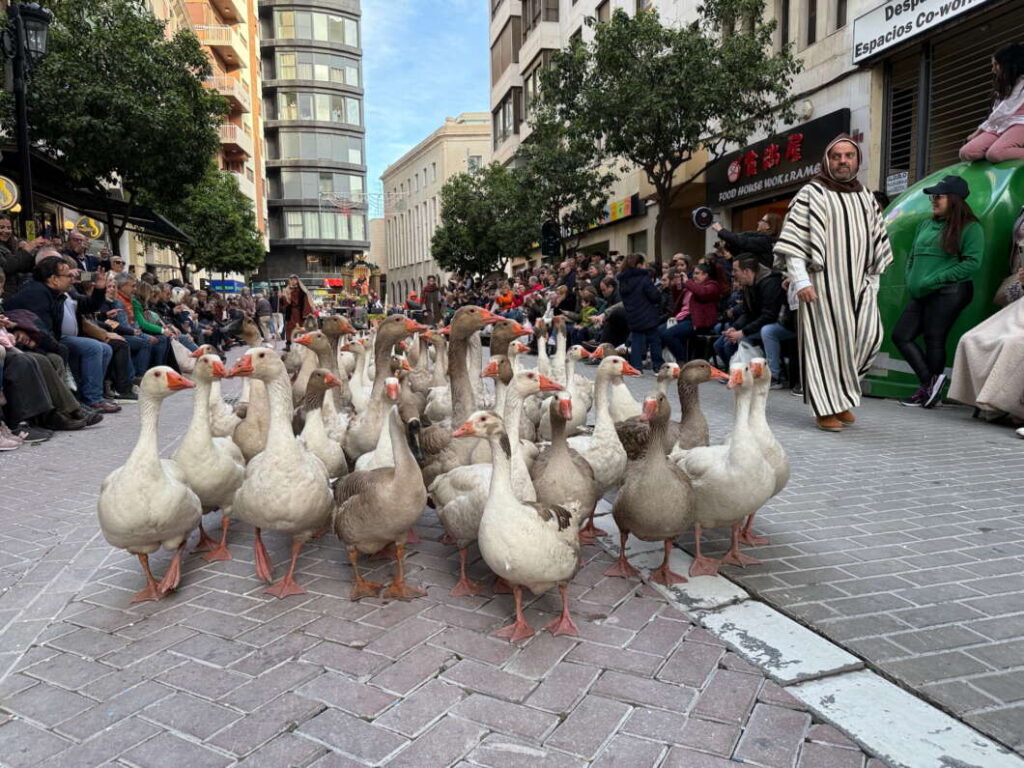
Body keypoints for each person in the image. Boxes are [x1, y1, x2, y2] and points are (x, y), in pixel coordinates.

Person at [774, 134, 894, 432]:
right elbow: (793, 242)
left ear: (857, 160)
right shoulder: (810, 193)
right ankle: (826, 408)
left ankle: (840, 397)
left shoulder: (866, 196)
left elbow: (877, 243)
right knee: (825, 346)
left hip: (860, 284)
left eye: (848, 156)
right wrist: (800, 280)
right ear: (827, 160)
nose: (843, 161)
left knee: (870, 338)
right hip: (821, 285)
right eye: (836, 156)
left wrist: (874, 284)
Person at [892, 176, 983, 408]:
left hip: (950, 291)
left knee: (934, 337)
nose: (933, 200)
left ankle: (929, 391)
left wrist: (936, 279)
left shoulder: (970, 227)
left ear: (953, 199)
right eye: (933, 196)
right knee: (901, 335)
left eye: (938, 196)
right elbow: (913, 255)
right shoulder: (925, 224)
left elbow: (972, 263)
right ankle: (930, 385)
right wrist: (912, 277)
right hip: (922, 291)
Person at [5, 255, 120, 414]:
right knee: (83, 349)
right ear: (54, 279)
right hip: (34, 341)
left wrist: (99, 288)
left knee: (103, 348)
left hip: (54, 337)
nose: (72, 279)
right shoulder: (36, 293)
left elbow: (88, 305)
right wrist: (58, 347)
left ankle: (91, 398)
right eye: (68, 275)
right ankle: (77, 405)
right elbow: (40, 330)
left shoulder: (62, 291)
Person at [960, 44, 1024, 164]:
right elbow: (996, 113)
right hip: (1001, 124)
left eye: (996, 65)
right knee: (967, 152)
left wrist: (977, 132)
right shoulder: (1006, 84)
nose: (993, 69)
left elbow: (1004, 110)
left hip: (1020, 123)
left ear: (1007, 64)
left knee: (995, 153)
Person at [659, 263, 723, 363]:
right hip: (681, 318)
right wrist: (678, 284)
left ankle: (682, 361)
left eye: (697, 273)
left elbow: (702, 293)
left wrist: (688, 282)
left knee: (669, 334)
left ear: (705, 275)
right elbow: (677, 299)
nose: (694, 276)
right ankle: (662, 362)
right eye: (693, 273)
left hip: (696, 321)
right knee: (659, 331)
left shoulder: (712, 285)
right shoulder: (692, 285)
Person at [617, 253, 664, 371]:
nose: (645, 266)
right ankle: (658, 366)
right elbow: (654, 296)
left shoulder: (622, 280)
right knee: (654, 340)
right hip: (648, 314)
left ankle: (636, 367)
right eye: (643, 264)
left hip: (633, 314)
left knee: (637, 340)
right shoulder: (644, 278)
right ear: (638, 265)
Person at [712, 213, 783, 268]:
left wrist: (721, 230)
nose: (758, 222)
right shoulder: (762, 239)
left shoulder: (766, 241)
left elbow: (743, 242)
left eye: (762, 220)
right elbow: (739, 251)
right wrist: (727, 243)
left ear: (768, 226)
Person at [279, 274, 313, 347]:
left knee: (299, 328)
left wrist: (306, 313)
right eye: (291, 279)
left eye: (294, 279)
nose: (292, 281)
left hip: (299, 313)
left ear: (297, 281)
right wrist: (282, 298)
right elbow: (285, 304)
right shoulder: (286, 290)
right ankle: (289, 344)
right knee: (289, 328)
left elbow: (306, 302)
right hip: (290, 313)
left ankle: (300, 344)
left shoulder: (301, 291)